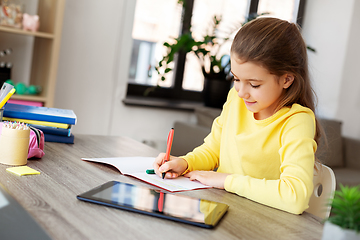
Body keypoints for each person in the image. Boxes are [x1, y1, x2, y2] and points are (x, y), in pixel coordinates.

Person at [153, 17, 321, 215]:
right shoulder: (236, 99)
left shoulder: (297, 120)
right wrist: (185, 162)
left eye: (254, 84)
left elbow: (295, 197)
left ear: (286, 79)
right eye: (236, 78)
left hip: (262, 224)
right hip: (220, 214)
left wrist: (226, 180)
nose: (241, 91)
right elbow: (214, 150)